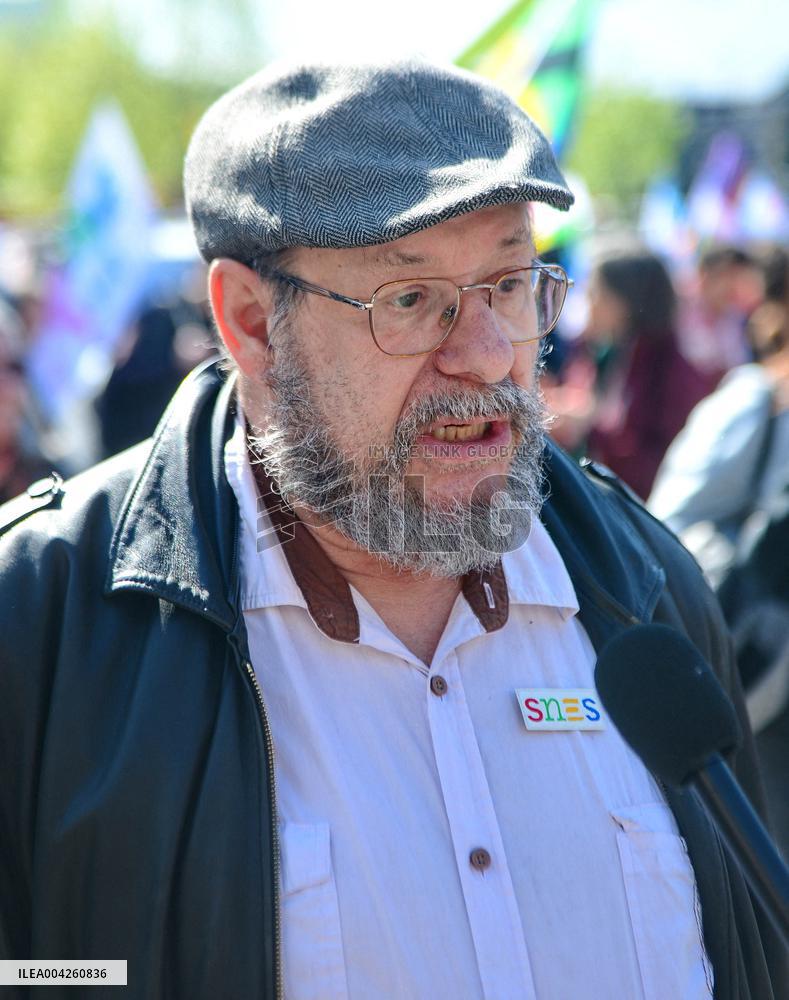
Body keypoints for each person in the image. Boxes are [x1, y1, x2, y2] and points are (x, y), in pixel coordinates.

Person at [0, 60, 783, 1000]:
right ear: (250, 323)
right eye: (410, 301)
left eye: (505, 283)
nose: (487, 353)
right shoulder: (43, 624)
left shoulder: (645, 587)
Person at [546, 245, 710, 499]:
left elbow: (656, 467)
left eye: (595, 293)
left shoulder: (669, 373)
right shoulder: (597, 351)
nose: (587, 302)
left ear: (625, 302)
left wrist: (589, 424)